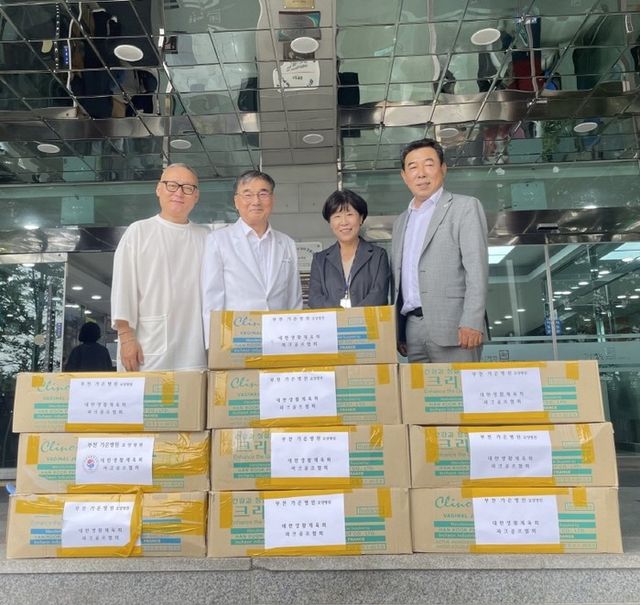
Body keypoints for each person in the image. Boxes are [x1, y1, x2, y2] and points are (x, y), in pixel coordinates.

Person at [391, 138, 488, 363]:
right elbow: (399, 282)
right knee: (419, 388)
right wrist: (399, 330)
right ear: (404, 176)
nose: (421, 173)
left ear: (443, 169)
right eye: (413, 167)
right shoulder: (400, 222)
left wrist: (472, 321)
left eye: (429, 164)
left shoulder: (464, 207)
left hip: (456, 327)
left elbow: (477, 270)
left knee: (460, 387)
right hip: (412, 330)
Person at [111, 163, 208, 371]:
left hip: (195, 346)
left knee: (192, 391)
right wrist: (126, 337)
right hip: (145, 348)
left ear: (196, 196)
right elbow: (123, 287)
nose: (178, 193)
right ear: (158, 189)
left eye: (187, 188)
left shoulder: (206, 237)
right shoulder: (139, 231)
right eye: (172, 185)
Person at [201, 169, 302, 348]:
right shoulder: (218, 241)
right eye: (248, 194)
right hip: (236, 342)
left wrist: (295, 343)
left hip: (280, 342)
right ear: (236, 201)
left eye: (263, 194)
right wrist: (215, 348)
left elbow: (294, 300)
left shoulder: (287, 243)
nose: (256, 201)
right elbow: (212, 300)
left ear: (272, 199)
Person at [308, 189, 390, 309]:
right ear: (330, 222)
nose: (344, 222)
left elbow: (379, 295)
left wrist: (353, 317)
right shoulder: (319, 260)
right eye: (337, 216)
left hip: (367, 320)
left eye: (349, 215)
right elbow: (315, 298)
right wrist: (340, 316)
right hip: (332, 321)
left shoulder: (378, 256)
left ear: (361, 218)